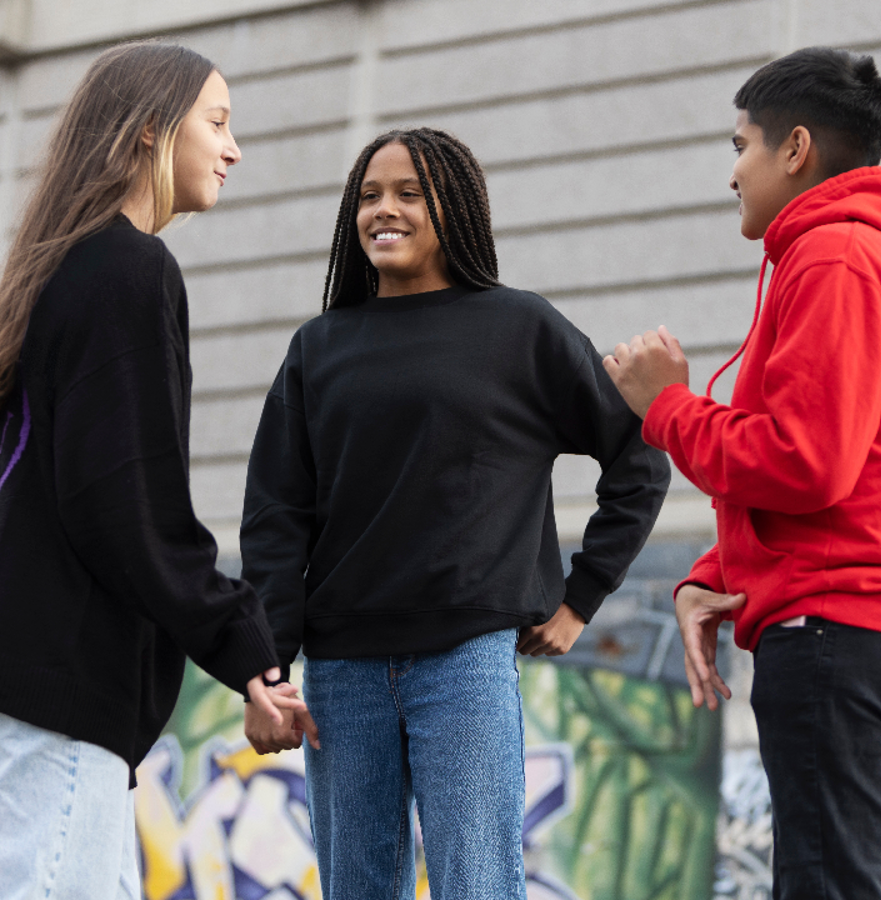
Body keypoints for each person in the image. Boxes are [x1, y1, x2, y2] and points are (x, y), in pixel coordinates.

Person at [241, 126, 670, 900]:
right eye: (369, 196)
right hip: (342, 671)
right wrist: (269, 667)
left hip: (465, 659)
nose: (385, 209)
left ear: (456, 209)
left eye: (409, 193)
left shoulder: (520, 328)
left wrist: (581, 598)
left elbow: (639, 457)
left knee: (477, 885)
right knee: (358, 890)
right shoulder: (319, 348)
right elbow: (276, 517)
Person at [0, 41, 315, 900]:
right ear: (149, 134)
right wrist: (249, 650)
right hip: (52, 705)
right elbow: (129, 504)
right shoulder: (128, 271)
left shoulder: (46, 274)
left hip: (14, 694)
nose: (233, 149)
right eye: (218, 123)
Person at [603, 47, 881, 900]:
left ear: (795, 148)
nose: (732, 173)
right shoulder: (844, 255)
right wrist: (713, 576)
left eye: (740, 146)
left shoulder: (832, 257)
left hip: (833, 636)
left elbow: (808, 460)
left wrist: (667, 407)